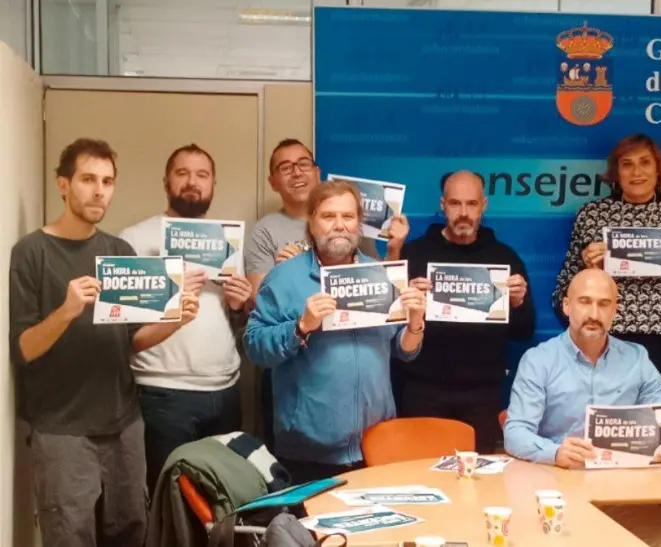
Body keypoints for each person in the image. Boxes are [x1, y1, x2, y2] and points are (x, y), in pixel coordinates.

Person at [8, 138, 199, 547]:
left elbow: (132, 340)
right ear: (63, 185)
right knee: (69, 536)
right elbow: (23, 349)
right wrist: (66, 310)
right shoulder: (31, 252)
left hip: (123, 424)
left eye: (108, 181)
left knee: (131, 530)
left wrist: (175, 322)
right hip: (62, 429)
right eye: (88, 179)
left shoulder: (119, 251)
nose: (99, 191)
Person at [244, 180, 426, 484]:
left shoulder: (381, 275)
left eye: (348, 216)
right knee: (309, 532)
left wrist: (416, 323)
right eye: (328, 216)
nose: (339, 225)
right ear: (312, 223)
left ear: (359, 223)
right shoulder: (284, 278)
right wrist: (301, 327)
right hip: (308, 451)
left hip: (375, 446)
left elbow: (403, 351)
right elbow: (254, 347)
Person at [504, 269, 661, 547]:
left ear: (615, 310)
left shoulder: (637, 359)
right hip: (554, 491)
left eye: (604, 304)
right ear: (567, 306)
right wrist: (556, 453)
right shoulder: (538, 360)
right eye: (584, 302)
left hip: (622, 494)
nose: (594, 313)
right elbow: (515, 432)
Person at [119, 143, 253, 490]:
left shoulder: (228, 244)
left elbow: (236, 322)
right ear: (166, 181)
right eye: (182, 173)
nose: (192, 182)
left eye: (202, 175)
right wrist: (170, 294)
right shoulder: (134, 239)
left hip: (223, 390)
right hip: (162, 393)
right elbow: (124, 330)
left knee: (223, 497)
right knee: (169, 499)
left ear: (212, 184)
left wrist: (240, 305)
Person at [552, 133, 661, 398]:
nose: (637, 172)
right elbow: (565, 290)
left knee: (659, 421)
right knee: (607, 419)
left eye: (645, 162)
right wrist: (587, 268)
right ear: (616, 173)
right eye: (627, 164)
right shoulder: (592, 215)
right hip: (608, 331)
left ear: (659, 170)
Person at [400, 170, 535, 452]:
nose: (463, 213)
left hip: (482, 394)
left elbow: (525, 332)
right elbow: (390, 331)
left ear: (484, 205)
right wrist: (408, 301)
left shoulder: (505, 259)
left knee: (478, 483)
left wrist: (517, 303)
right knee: (418, 477)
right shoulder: (414, 255)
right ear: (442, 204)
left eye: (471, 204)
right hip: (422, 390)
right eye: (455, 203)